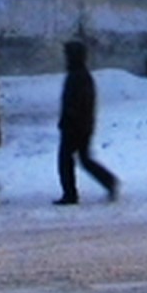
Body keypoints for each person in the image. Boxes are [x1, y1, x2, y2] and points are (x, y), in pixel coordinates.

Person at [54, 39, 119, 205]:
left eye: (67, 54)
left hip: (75, 126)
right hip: (81, 125)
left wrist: (69, 121)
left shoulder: (78, 76)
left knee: (66, 160)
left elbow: (77, 103)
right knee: (84, 159)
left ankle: (70, 194)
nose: (65, 57)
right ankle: (108, 181)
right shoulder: (80, 74)